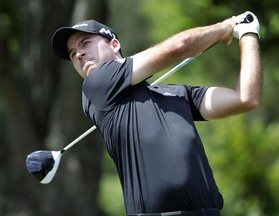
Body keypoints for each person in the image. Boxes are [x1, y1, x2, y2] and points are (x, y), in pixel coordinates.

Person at [51, 11, 262, 216]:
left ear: (114, 44)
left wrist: (249, 35)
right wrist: (225, 28)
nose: (78, 54)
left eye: (85, 43)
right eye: (72, 53)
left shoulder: (178, 93)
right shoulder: (96, 87)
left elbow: (245, 99)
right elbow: (178, 47)